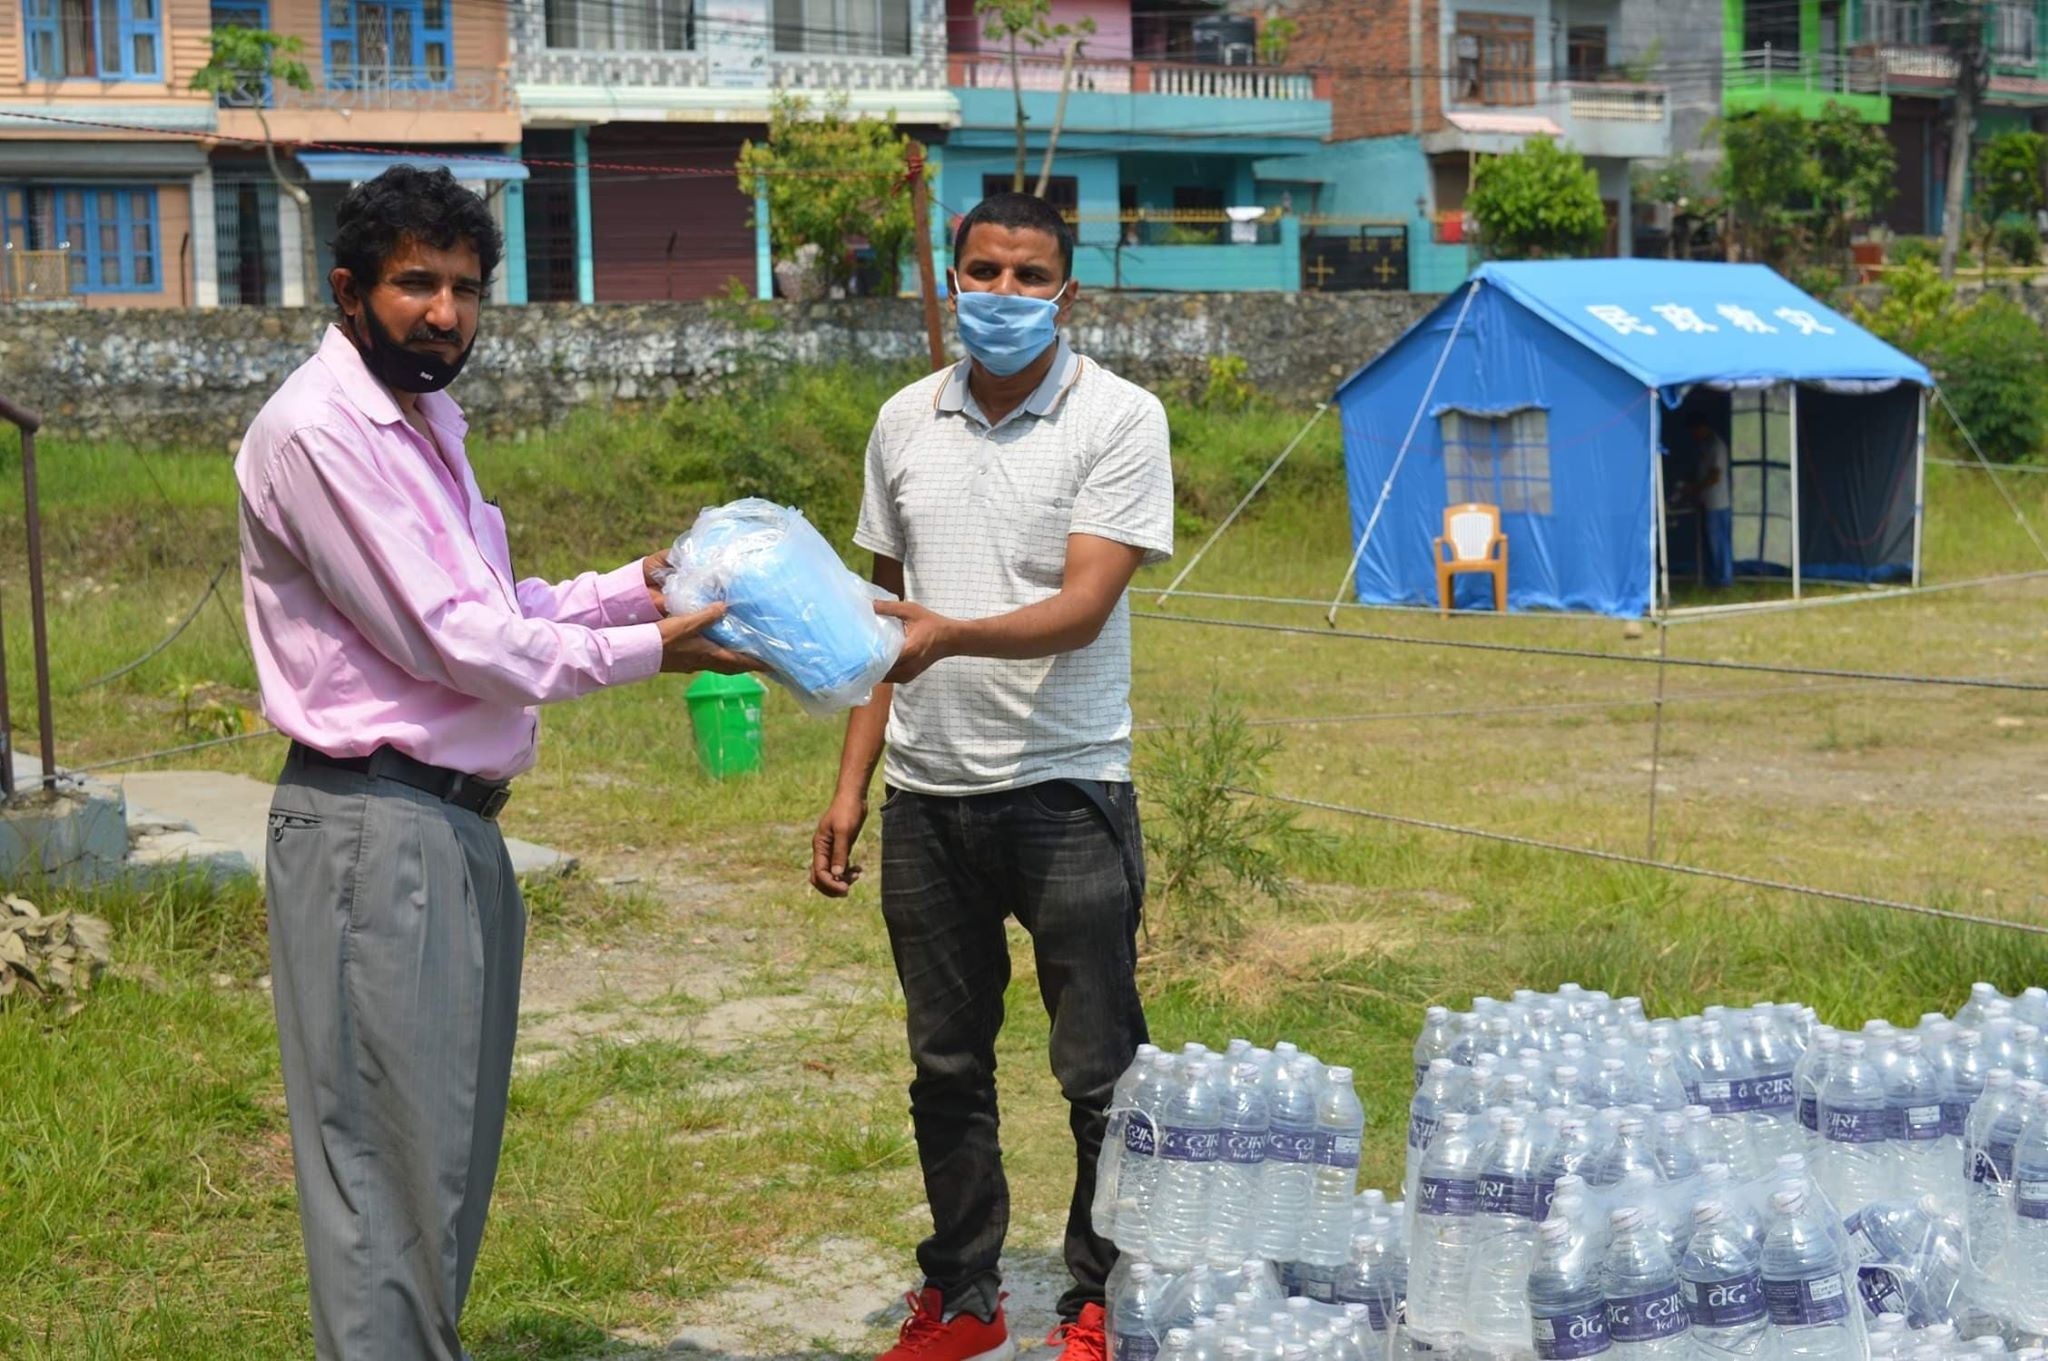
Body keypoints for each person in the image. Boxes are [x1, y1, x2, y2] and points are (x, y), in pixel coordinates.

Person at [233, 165, 754, 1361]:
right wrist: (648, 649)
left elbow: (492, 601)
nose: (445, 313)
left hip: (447, 826)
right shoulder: (321, 430)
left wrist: (636, 589)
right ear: (348, 289)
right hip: (375, 824)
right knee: (380, 1177)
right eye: (417, 284)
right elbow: (456, 640)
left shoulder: (422, 428)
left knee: (437, 1161)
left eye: (466, 288)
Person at [809, 192, 1174, 1361]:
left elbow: (1080, 607)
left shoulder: (1118, 418)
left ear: (1066, 292)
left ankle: (1102, 1298)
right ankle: (962, 1293)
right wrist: (851, 781)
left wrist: (945, 635)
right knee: (943, 1063)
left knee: (1099, 1069)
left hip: (1065, 794)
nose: (1003, 296)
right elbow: (877, 621)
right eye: (983, 272)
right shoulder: (903, 421)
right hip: (927, 803)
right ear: (950, 276)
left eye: (1029, 278)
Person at [1686, 415, 1734, 586]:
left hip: (1718, 503)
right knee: (1712, 543)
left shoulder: (1717, 446)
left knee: (1719, 543)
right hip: (1708, 502)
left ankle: (1724, 580)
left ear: (1703, 428)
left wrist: (1696, 488)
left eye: (1695, 432)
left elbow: (1715, 476)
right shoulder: (1705, 446)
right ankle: (1715, 577)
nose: (1695, 436)